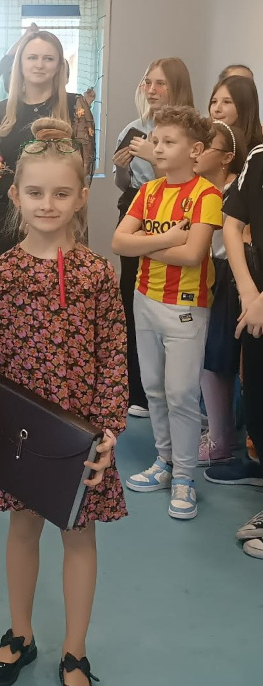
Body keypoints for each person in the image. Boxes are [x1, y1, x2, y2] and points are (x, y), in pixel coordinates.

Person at [0, 118, 127, 686]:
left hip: (82, 435)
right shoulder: (1, 272)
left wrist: (109, 429)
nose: (47, 203)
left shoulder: (97, 273)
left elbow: (114, 353)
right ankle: (21, 634)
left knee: (79, 535)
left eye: (60, 192)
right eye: (34, 192)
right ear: (15, 195)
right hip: (21, 433)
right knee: (22, 529)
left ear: (81, 197)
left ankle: (75, 651)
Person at [113, 106, 222, 520]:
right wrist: (169, 239)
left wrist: (146, 244)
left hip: (186, 308)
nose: (157, 147)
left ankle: (185, 477)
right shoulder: (148, 192)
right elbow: (119, 243)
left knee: (180, 394)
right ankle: (164, 461)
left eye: (168, 142)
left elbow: (194, 255)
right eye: (155, 140)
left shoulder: (206, 195)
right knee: (154, 388)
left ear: (195, 150)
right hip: (145, 300)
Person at [0, 30, 95, 288]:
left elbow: (81, 169)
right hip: (6, 220)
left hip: (58, 220)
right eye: (32, 57)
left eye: (48, 58)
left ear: (59, 66)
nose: (39, 65)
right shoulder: (0, 110)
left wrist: (40, 194)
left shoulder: (75, 106)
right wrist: (26, 195)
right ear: (20, 63)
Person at [112, 58, 195, 418]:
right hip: (135, 211)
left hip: (176, 215)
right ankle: (138, 390)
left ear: (177, 87)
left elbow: (190, 180)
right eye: (148, 82)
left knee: (170, 298)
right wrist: (121, 168)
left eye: (160, 83)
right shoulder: (133, 129)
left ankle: (173, 390)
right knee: (133, 297)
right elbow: (124, 184)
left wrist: (154, 157)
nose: (152, 90)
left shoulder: (193, 129)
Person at [221, 130, 263, 558]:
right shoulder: (258, 157)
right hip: (256, 308)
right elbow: (232, 225)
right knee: (256, 403)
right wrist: (250, 293)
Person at [194, 121, 246, 467]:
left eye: (205, 146)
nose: (195, 152)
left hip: (230, 276)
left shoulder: (235, 191)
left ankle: (221, 440)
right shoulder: (199, 189)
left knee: (218, 361)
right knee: (208, 359)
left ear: (227, 157)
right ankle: (218, 432)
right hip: (209, 272)